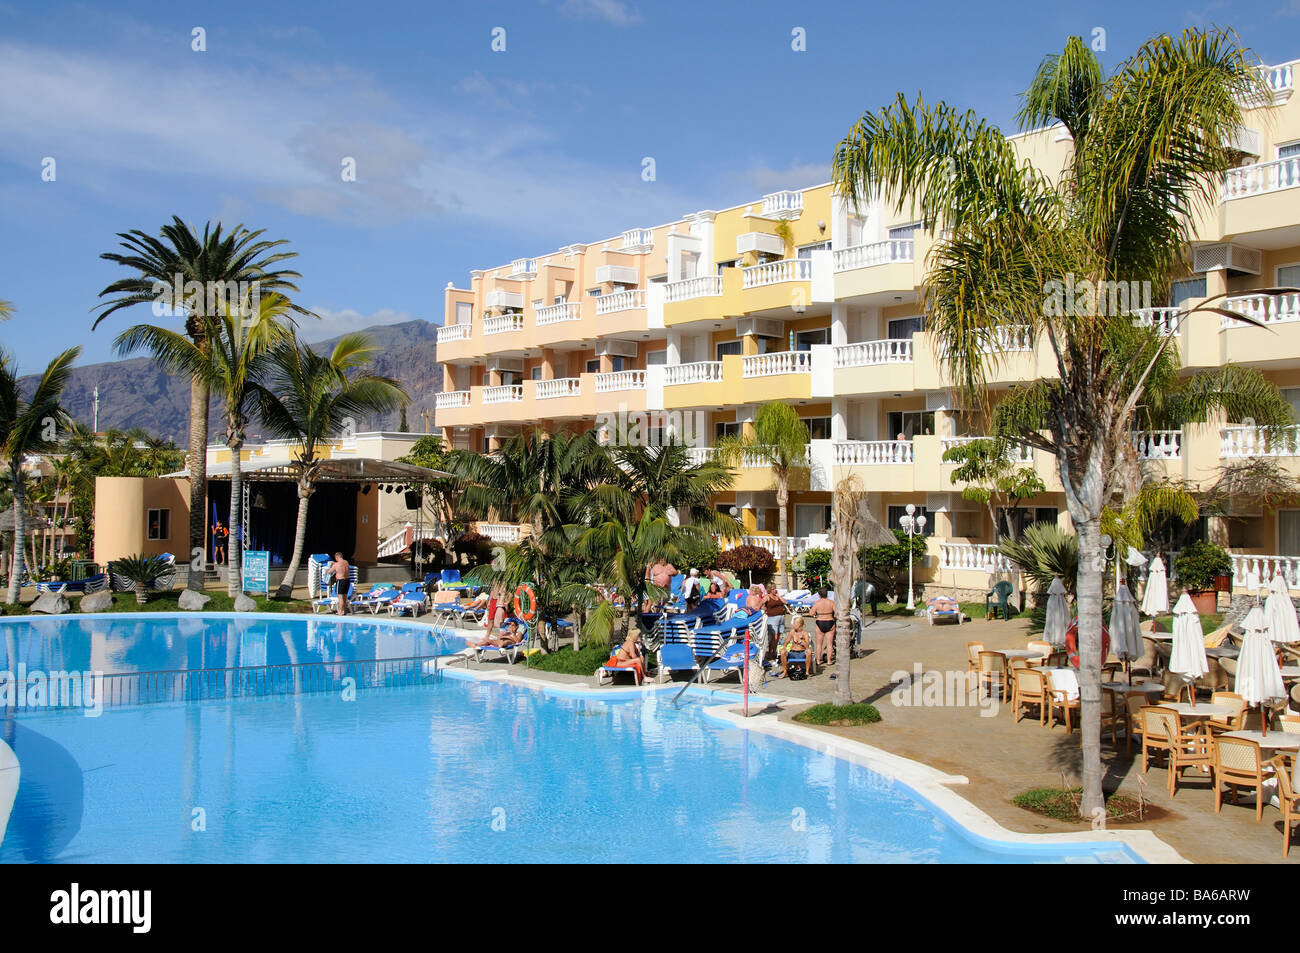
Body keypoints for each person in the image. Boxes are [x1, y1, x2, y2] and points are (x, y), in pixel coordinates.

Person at [811, 587, 837, 666]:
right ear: (827, 594)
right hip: (830, 621)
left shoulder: (817, 603)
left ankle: (818, 660)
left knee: (819, 644)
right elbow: (836, 613)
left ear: (819, 594)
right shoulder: (832, 602)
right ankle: (829, 660)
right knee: (829, 643)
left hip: (820, 621)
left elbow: (811, 613)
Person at [763, 586, 787, 657]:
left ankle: (774, 650)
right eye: (773, 589)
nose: (775, 590)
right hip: (772, 618)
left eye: (775, 588)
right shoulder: (767, 597)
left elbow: (785, 602)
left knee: (779, 634)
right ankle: (770, 651)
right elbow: (761, 603)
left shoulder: (777, 597)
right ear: (770, 590)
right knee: (774, 635)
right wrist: (764, 610)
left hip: (781, 617)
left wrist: (779, 596)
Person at [326, 551, 351, 616]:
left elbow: (329, 572)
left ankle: (340, 612)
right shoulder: (346, 562)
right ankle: (344, 611)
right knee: (345, 596)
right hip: (347, 580)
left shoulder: (336, 565)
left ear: (336, 557)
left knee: (340, 597)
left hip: (340, 581)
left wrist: (327, 568)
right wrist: (335, 563)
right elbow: (341, 565)